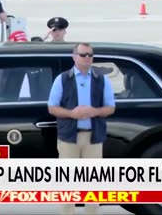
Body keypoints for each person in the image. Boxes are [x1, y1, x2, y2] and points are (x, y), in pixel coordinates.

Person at [47, 43, 116, 215]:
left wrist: (95, 111)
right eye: (83, 54)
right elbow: (52, 108)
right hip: (69, 137)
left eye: (90, 55)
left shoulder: (102, 80)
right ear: (74, 56)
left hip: (93, 137)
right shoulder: (62, 79)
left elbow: (110, 108)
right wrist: (72, 114)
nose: (87, 58)